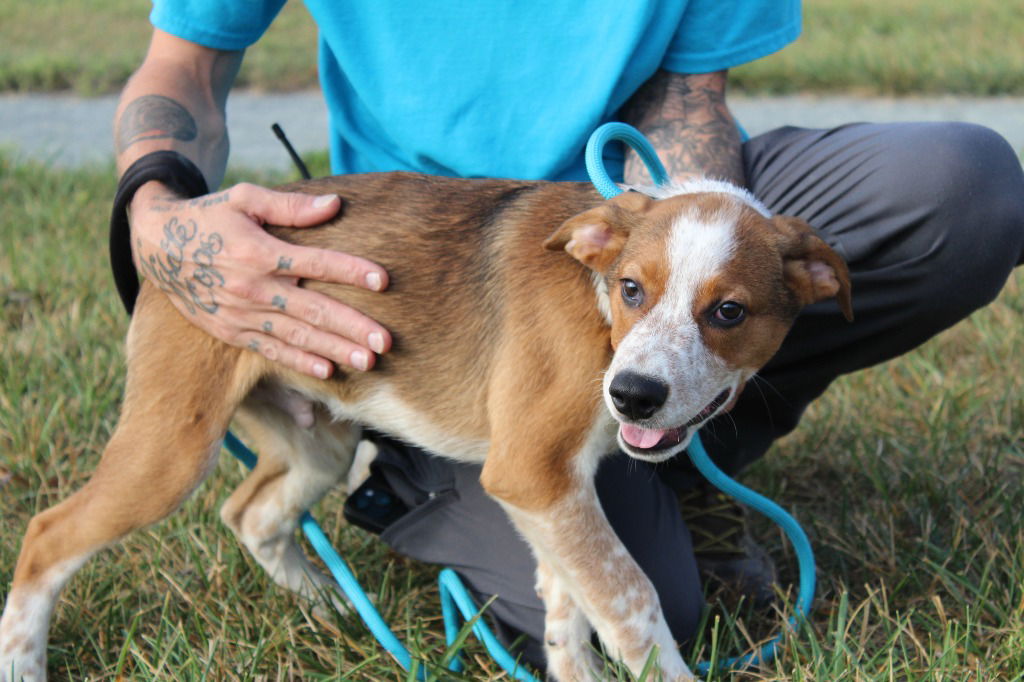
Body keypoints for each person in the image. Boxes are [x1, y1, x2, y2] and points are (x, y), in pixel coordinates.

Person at [112, 0, 1024, 670]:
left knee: (963, 184)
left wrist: (677, 271)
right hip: (422, 275)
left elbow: (688, 93)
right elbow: (182, 69)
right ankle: (404, 457)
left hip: (645, 210)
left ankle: (685, 443)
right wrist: (157, 213)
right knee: (649, 598)